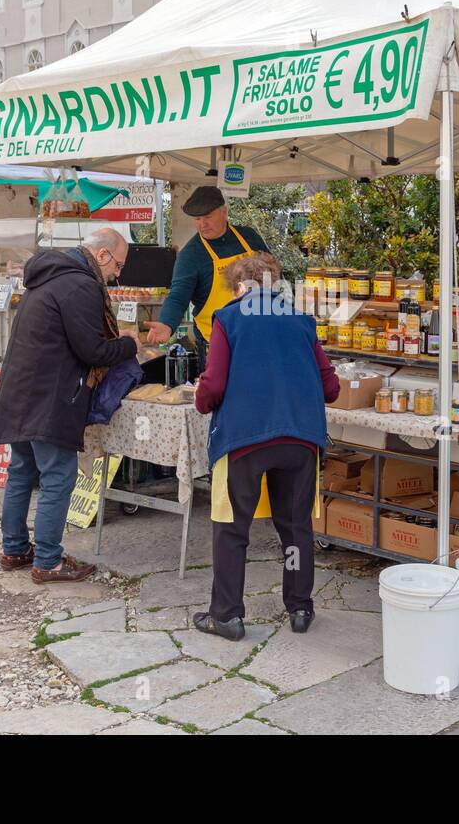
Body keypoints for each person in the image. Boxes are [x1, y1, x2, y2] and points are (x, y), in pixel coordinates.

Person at [192, 252, 340, 640]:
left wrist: (201, 400)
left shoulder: (228, 318)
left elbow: (214, 385)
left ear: (240, 286)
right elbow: (331, 387)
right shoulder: (301, 320)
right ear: (274, 284)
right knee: (294, 527)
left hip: (245, 439)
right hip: (301, 441)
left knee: (231, 529)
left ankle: (226, 615)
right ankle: (300, 607)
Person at [0, 228, 139, 584]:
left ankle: (14, 550)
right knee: (57, 478)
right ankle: (49, 561)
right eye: (118, 264)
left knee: (21, 472)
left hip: (20, 390)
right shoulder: (81, 285)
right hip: (50, 396)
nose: (117, 273)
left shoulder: (47, 277)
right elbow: (93, 351)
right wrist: (130, 344)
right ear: (101, 256)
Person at [144, 186, 268, 368]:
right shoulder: (191, 255)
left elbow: (271, 273)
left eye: (208, 217)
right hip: (218, 344)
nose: (202, 224)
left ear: (224, 212)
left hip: (259, 335)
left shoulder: (248, 237)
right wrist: (167, 323)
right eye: (197, 219)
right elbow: (178, 296)